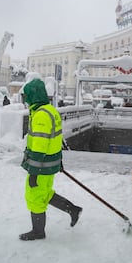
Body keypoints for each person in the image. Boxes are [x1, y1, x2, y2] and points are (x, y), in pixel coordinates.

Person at [19, 78, 82, 241]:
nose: (25, 100)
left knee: (34, 196)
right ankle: (72, 209)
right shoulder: (50, 110)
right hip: (49, 164)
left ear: (33, 96)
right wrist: (59, 162)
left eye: (26, 96)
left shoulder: (41, 115)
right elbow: (56, 138)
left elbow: (40, 145)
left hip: (40, 165)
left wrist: (33, 172)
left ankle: (38, 231)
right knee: (44, 193)